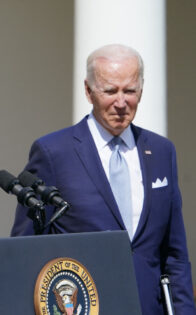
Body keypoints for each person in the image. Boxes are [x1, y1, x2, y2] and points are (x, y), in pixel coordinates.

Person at [11, 44, 196, 314]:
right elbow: (24, 248)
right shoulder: (54, 152)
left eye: (130, 91)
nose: (121, 103)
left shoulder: (161, 151)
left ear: (141, 90)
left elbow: (175, 255)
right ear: (88, 91)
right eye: (110, 91)